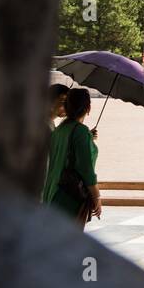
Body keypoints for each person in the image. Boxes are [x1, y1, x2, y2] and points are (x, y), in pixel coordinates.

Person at [41, 87, 101, 229]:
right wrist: (96, 197)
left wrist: (87, 138)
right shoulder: (80, 132)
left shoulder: (60, 130)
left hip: (52, 192)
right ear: (88, 108)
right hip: (68, 197)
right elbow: (86, 170)